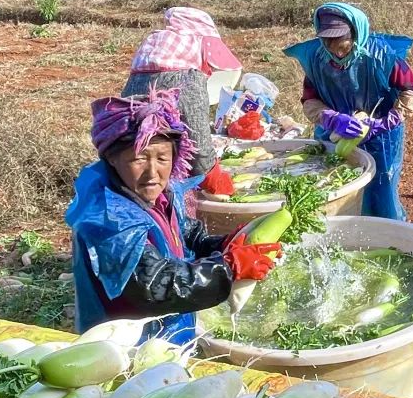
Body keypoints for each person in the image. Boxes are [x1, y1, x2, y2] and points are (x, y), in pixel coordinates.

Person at [66, 91, 281, 343]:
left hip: (167, 335)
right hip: (124, 348)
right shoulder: (109, 219)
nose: (152, 173)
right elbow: (155, 285)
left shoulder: (160, 196)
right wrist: (228, 268)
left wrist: (229, 244)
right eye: (139, 158)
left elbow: (187, 236)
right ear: (112, 158)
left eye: (162, 158)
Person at [284, 2, 413, 220]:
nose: (331, 46)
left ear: (356, 32)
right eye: (326, 39)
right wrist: (330, 118)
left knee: (381, 190)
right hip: (335, 134)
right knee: (335, 188)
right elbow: (310, 100)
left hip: (380, 137)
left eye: (339, 39)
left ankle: (388, 232)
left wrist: (385, 122)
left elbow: (412, 89)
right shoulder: (317, 59)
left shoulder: (381, 56)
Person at [123, 7, 242, 197]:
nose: (209, 70)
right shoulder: (187, 77)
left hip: (129, 173)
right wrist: (215, 178)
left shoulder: (142, 70)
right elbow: (198, 143)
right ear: (199, 49)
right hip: (161, 178)